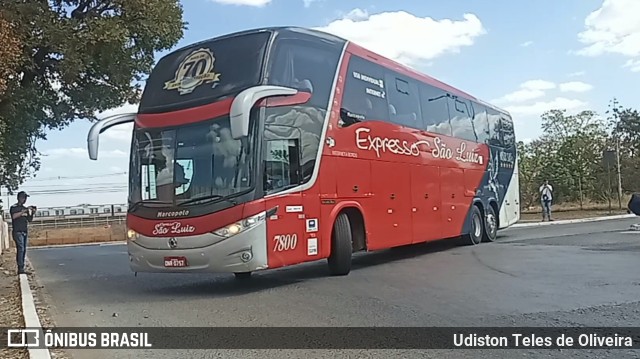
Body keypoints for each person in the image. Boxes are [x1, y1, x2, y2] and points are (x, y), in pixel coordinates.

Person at [9, 191, 37, 275]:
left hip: (24, 231)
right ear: (19, 198)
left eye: (25, 198)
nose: (24, 200)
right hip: (17, 231)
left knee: (24, 249)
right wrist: (23, 211)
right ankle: (20, 268)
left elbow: (29, 220)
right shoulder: (14, 207)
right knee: (20, 249)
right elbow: (14, 216)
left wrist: (32, 213)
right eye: (23, 198)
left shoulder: (25, 208)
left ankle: (22, 267)